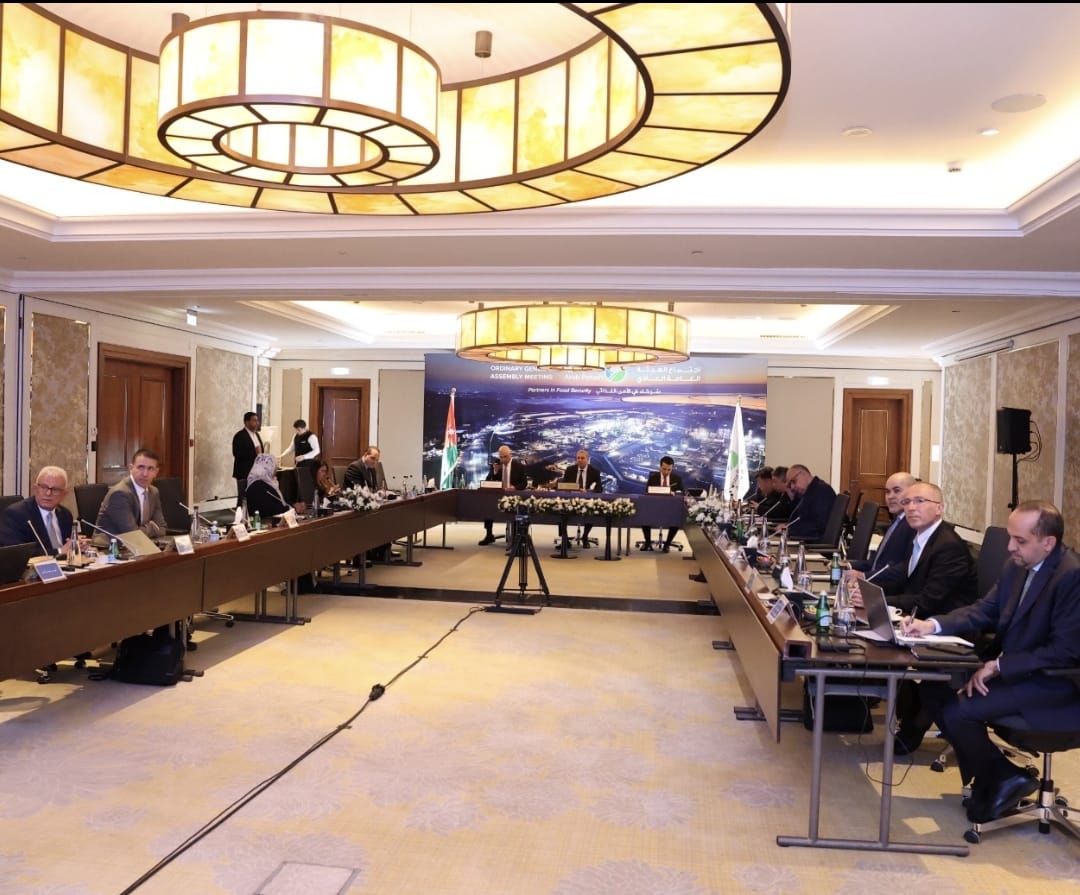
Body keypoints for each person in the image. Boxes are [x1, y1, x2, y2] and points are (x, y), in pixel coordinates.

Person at [901, 501, 1080, 824]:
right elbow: (984, 610)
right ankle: (1000, 776)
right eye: (1011, 537)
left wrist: (998, 667)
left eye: (1020, 540)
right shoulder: (1017, 565)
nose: (1010, 547)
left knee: (959, 709)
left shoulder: (1071, 576)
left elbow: (1064, 651)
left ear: (1048, 543)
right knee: (934, 689)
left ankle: (999, 779)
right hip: (1019, 671)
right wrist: (932, 625)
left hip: (1054, 682)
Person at [845, 471, 917, 591]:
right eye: (887, 492)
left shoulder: (913, 525)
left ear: (913, 493)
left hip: (888, 591)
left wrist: (864, 576)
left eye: (897, 491)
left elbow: (904, 569)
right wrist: (848, 565)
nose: (890, 496)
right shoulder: (897, 521)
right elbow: (876, 562)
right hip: (874, 584)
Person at [94, 448, 167, 544]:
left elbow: (162, 528)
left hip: (139, 544)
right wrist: (152, 527)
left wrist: (144, 530)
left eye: (150, 469)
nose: (145, 474)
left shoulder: (154, 492)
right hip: (111, 547)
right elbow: (132, 534)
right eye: (141, 467)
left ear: (156, 472)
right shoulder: (119, 493)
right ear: (131, 468)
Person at [0, 465, 75, 555]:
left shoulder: (65, 515)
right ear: (35, 489)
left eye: (55, 489)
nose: (48, 493)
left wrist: (75, 546)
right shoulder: (15, 515)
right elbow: (16, 553)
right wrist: (59, 551)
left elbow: (67, 546)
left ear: (64, 494)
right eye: (43, 487)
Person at [479, 444, 528, 545]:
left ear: (510, 455)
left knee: (517, 509)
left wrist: (515, 488)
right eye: (501, 457)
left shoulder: (518, 466)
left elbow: (524, 483)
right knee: (488, 506)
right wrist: (495, 471)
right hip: (498, 496)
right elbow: (488, 481)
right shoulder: (496, 465)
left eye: (505, 457)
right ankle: (489, 535)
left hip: (513, 496)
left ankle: (515, 536)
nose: (503, 459)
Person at [781, 464, 836, 542]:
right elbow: (798, 518)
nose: (792, 487)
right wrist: (787, 527)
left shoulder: (822, 491)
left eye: (793, 481)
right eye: (790, 484)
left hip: (812, 544)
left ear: (803, 474)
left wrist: (790, 530)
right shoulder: (809, 491)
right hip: (801, 539)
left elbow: (818, 527)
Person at [558, 449, 602, 548]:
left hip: (587, 500)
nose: (580, 460)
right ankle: (565, 540)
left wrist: (588, 491)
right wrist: (572, 489)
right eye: (578, 458)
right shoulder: (570, 469)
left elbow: (599, 489)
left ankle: (585, 537)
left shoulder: (594, 471)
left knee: (592, 511)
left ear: (587, 459)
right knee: (560, 510)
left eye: (582, 458)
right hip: (571, 499)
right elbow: (563, 485)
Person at [640, 455, 683, 552]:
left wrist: (674, 493)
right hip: (654, 507)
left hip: (671, 509)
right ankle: (647, 542)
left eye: (669, 470)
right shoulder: (653, 477)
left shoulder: (677, 479)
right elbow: (647, 492)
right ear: (660, 467)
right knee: (644, 515)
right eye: (664, 469)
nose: (666, 472)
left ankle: (667, 544)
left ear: (672, 468)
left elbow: (682, 493)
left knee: (676, 518)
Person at [244, 454, 304, 521]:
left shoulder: (267, 483)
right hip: (266, 523)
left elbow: (279, 499)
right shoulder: (258, 487)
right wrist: (294, 509)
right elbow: (274, 509)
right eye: (275, 468)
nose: (276, 471)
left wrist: (293, 505)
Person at [231, 411, 263, 507]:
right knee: (243, 497)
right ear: (247, 422)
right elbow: (237, 453)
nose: (257, 423)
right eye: (254, 420)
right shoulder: (239, 436)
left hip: (256, 472)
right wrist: (255, 452)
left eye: (257, 420)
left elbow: (260, 451)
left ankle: (252, 514)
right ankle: (240, 515)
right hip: (244, 472)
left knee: (254, 496)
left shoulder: (257, 435)